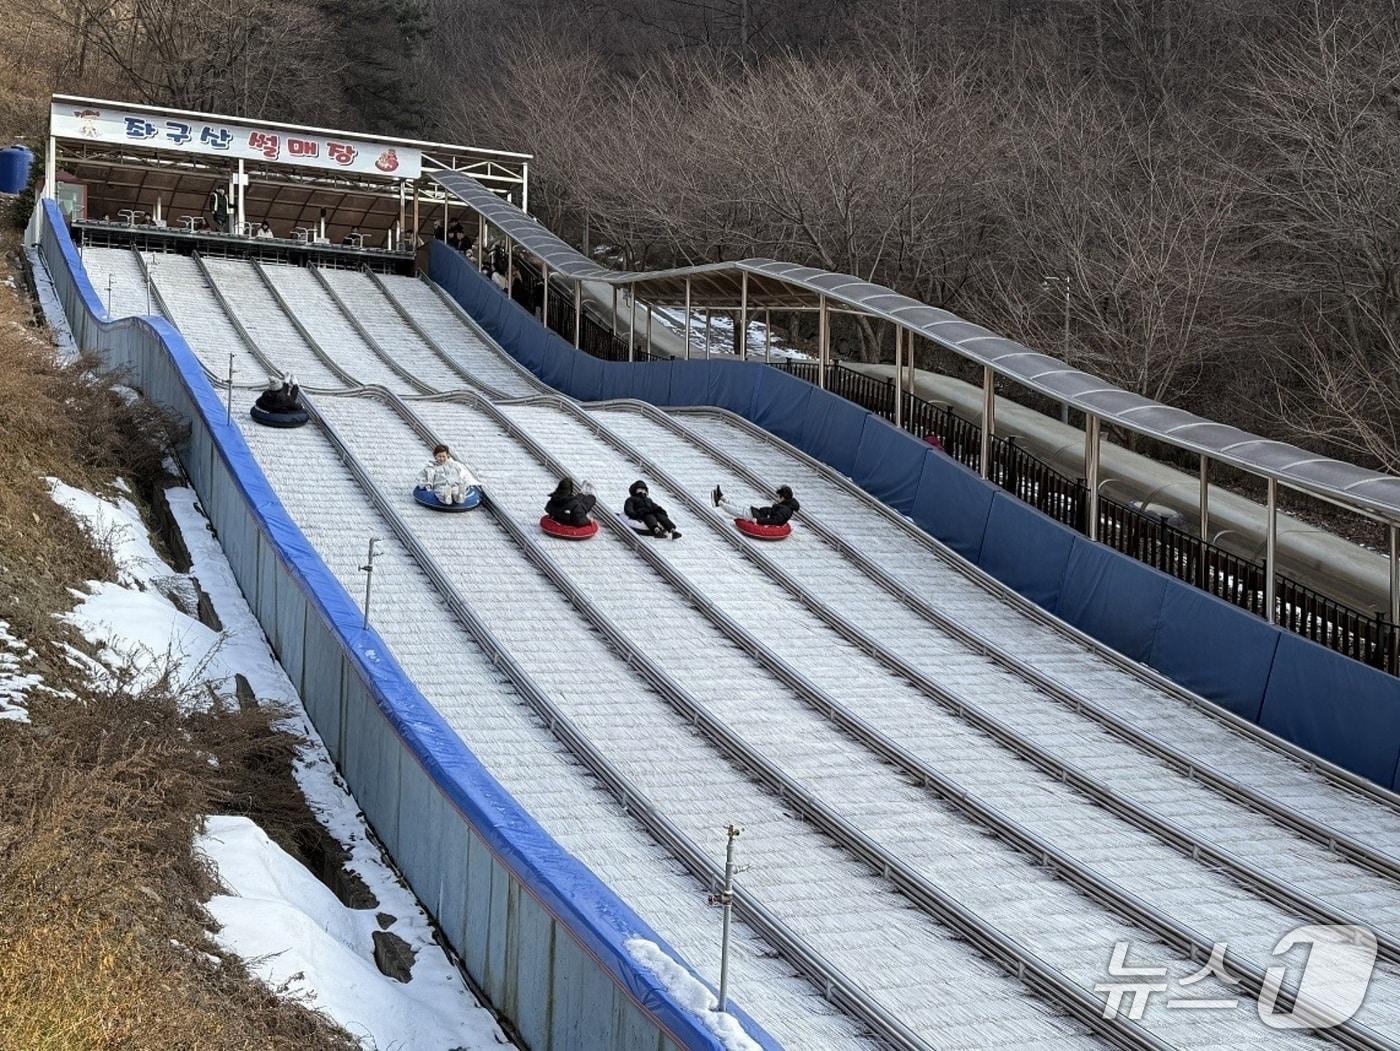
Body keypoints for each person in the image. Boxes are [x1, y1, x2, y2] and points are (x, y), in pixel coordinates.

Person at [712, 483, 799, 526]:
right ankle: (723, 498)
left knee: (739, 511)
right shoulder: (787, 506)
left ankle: (719, 503)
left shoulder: (785, 510)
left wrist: (759, 520)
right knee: (741, 507)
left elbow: (774, 520)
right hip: (760, 513)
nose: (777, 499)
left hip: (759, 516)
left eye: (778, 497)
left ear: (783, 497)